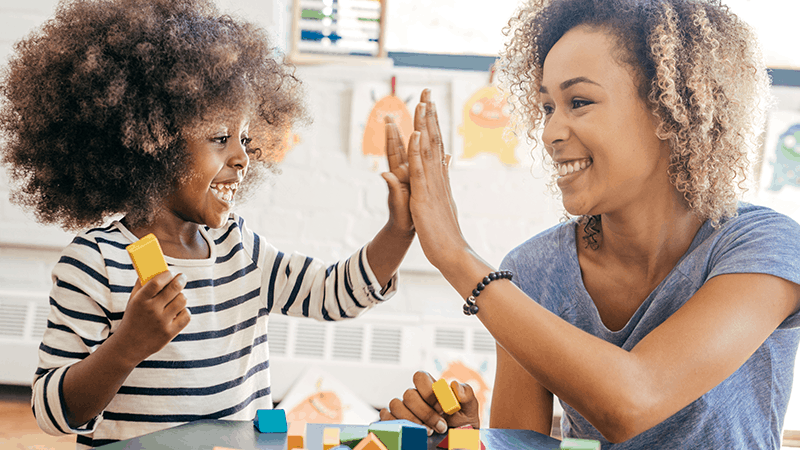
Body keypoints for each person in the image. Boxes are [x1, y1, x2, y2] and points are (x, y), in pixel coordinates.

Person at [379, 0, 800, 448]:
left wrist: (454, 255)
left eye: (578, 102)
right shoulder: (533, 271)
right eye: (547, 108)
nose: (550, 134)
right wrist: (465, 439)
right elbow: (524, 445)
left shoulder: (763, 247)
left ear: (668, 110)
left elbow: (633, 400)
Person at [0, 0, 415, 448]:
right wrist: (127, 346)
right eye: (220, 138)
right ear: (152, 144)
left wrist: (400, 229)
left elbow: (333, 294)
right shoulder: (95, 263)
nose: (242, 158)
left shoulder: (241, 248)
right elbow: (53, 413)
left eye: (244, 139)